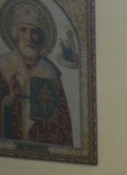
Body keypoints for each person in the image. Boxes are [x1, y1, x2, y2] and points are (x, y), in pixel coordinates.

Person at [0, 0, 74, 146]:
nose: (29, 38)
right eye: (23, 30)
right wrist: (9, 101)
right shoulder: (3, 66)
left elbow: (63, 125)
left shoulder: (51, 74)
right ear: (15, 34)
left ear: (40, 37)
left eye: (34, 32)